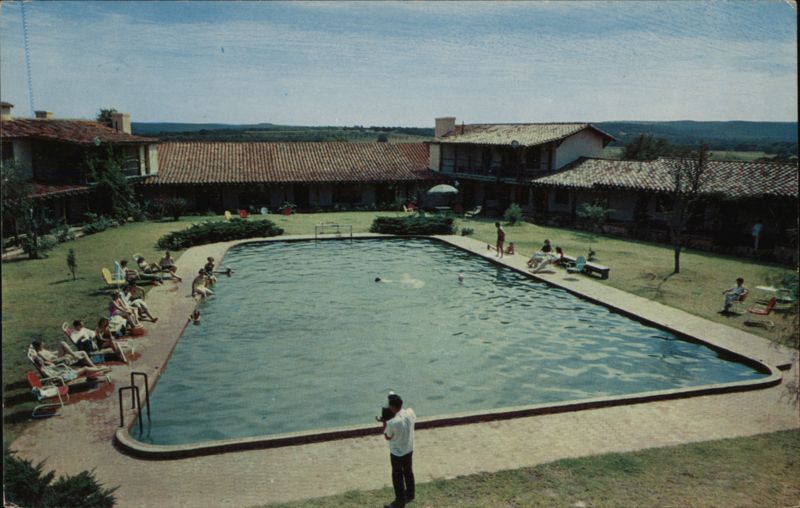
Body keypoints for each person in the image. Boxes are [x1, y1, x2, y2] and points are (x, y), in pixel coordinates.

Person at [382, 393, 416, 508]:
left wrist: (384, 423)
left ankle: (399, 501)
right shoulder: (410, 412)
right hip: (409, 448)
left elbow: (387, 436)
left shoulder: (392, 423)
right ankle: (410, 494)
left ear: (393, 407)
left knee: (397, 476)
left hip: (397, 452)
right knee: (408, 471)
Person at [31, 339, 110, 374]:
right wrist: (62, 357)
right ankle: (75, 355)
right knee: (62, 343)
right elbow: (49, 361)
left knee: (83, 352)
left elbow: (52, 353)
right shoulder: (40, 353)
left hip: (59, 356)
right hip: (58, 360)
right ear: (39, 345)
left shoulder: (43, 350)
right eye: (42, 343)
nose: (43, 343)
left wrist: (65, 349)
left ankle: (93, 366)